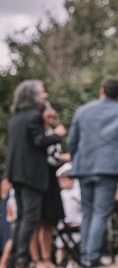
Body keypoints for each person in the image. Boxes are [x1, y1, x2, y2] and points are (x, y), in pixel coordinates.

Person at [67, 77, 118, 267]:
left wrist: (75, 158)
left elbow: (72, 141)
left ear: (101, 90)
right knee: (100, 212)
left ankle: (85, 254)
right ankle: (92, 257)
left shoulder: (82, 111)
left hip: (83, 168)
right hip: (107, 169)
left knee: (87, 212)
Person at [4, 80, 66, 268]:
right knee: (30, 217)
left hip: (17, 174)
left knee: (23, 217)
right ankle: (22, 258)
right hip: (31, 175)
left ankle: (17, 257)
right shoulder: (33, 116)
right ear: (32, 96)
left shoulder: (16, 118)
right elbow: (39, 141)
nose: (45, 95)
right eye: (42, 92)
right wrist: (56, 134)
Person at [30, 104, 67, 268]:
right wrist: (57, 135)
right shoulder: (36, 131)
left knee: (47, 221)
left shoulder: (52, 133)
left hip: (51, 180)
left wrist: (64, 159)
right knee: (35, 222)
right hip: (37, 179)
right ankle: (37, 260)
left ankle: (46, 258)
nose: (52, 114)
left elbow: (54, 157)